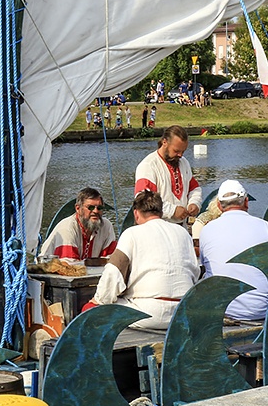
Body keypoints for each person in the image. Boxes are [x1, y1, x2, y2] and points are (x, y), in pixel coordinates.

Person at [86, 190, 199, 330]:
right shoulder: (183, 233)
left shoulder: (132, 233)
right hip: (183, 312)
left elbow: (112, 274)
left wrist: (97, 301)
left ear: (136, 213)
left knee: (92, 310)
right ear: (161, 212)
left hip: (148, 314)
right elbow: (195, 272)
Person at [199, 180, 268, 321]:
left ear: (219, 205)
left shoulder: (206, 230)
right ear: (246, 202)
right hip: (261, 311)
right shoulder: (267, 228)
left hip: (221, 310)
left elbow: (205, 266)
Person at [134, 124, 202, 225]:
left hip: (181, 227)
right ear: (164, 142)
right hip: (156, 228)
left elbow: (194, 188)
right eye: (176, 151)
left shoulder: (184, 163)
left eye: (183, 151)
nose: (180, 155)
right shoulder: (148, 166)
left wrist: (194, 203)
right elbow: (143, 200)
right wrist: (172, 211)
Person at [40, 187, 117, 260]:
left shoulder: (106, 226)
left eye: (99, 208)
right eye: (90, 207)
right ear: (78, 208)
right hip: (54, 271)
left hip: (90, 271)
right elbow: (69, 266)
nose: (96, 211)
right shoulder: (67, 228)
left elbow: (110, 259)